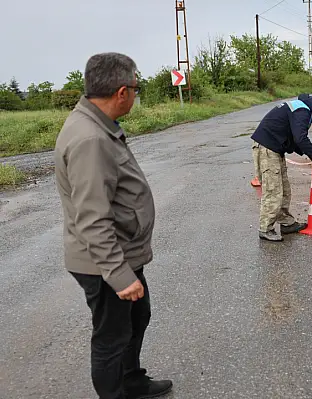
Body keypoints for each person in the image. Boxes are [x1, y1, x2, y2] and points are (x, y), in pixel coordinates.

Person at [54, 52, 172, 399]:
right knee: (111, 337)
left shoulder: (96, 124)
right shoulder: (90, 139)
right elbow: (92, 218)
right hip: (104, 261)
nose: (136, 95)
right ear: (122, 92)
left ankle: (132, 381)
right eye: (136, 88)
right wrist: (119, 275)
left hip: (120, 253)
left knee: (137, 318)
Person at [251, 93, 312, 242]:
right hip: (267, 148)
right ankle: (265, 228)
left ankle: (286, 223)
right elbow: (300, 138)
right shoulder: (303, 111)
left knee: (284, 190)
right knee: (273, 191)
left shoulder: (301, 109)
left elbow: (295, 139)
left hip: (275, 148)